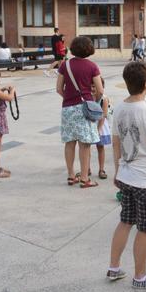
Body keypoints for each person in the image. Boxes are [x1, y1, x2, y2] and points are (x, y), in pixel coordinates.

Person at [107, 61, 146, 290]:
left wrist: (117, 169)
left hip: (126, 174)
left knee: (125, 221)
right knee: (145, 228)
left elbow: (115, 142)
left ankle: (114, 267)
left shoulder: (120, 108)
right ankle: (140, 277)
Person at [57, 36, 104, 188]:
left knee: (69, 142)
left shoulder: (65, 64)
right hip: (85, 109)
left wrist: (69, 98)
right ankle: (84, 178)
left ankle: (71, 175)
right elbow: (100, 90)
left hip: (68, 108)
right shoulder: (92, 66)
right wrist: (93, 101)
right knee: (85, 144)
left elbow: (59, 88)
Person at [94, 78, 111, 180]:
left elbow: (104, 115)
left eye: (96, 86)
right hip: (90, 124)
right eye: (92, 86)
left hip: (100, 125)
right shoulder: (88, 98)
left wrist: (98, 129)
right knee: (86, 147)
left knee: (100, 147)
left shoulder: (104, 99)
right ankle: (87, 169)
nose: (93, 88)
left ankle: (101, 169)